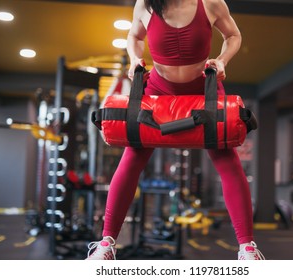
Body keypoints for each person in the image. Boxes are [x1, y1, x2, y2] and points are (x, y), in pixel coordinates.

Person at [86, 0, 265, 260]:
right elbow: (134, 36)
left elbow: (233, 35)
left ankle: (247, 248)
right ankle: (106, 245)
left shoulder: (211, 3)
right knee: (132, 158)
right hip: (158, 89)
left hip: (203, 88)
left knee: (227, 161)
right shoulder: (146, 4)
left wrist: (223, 60)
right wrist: (135, 59)